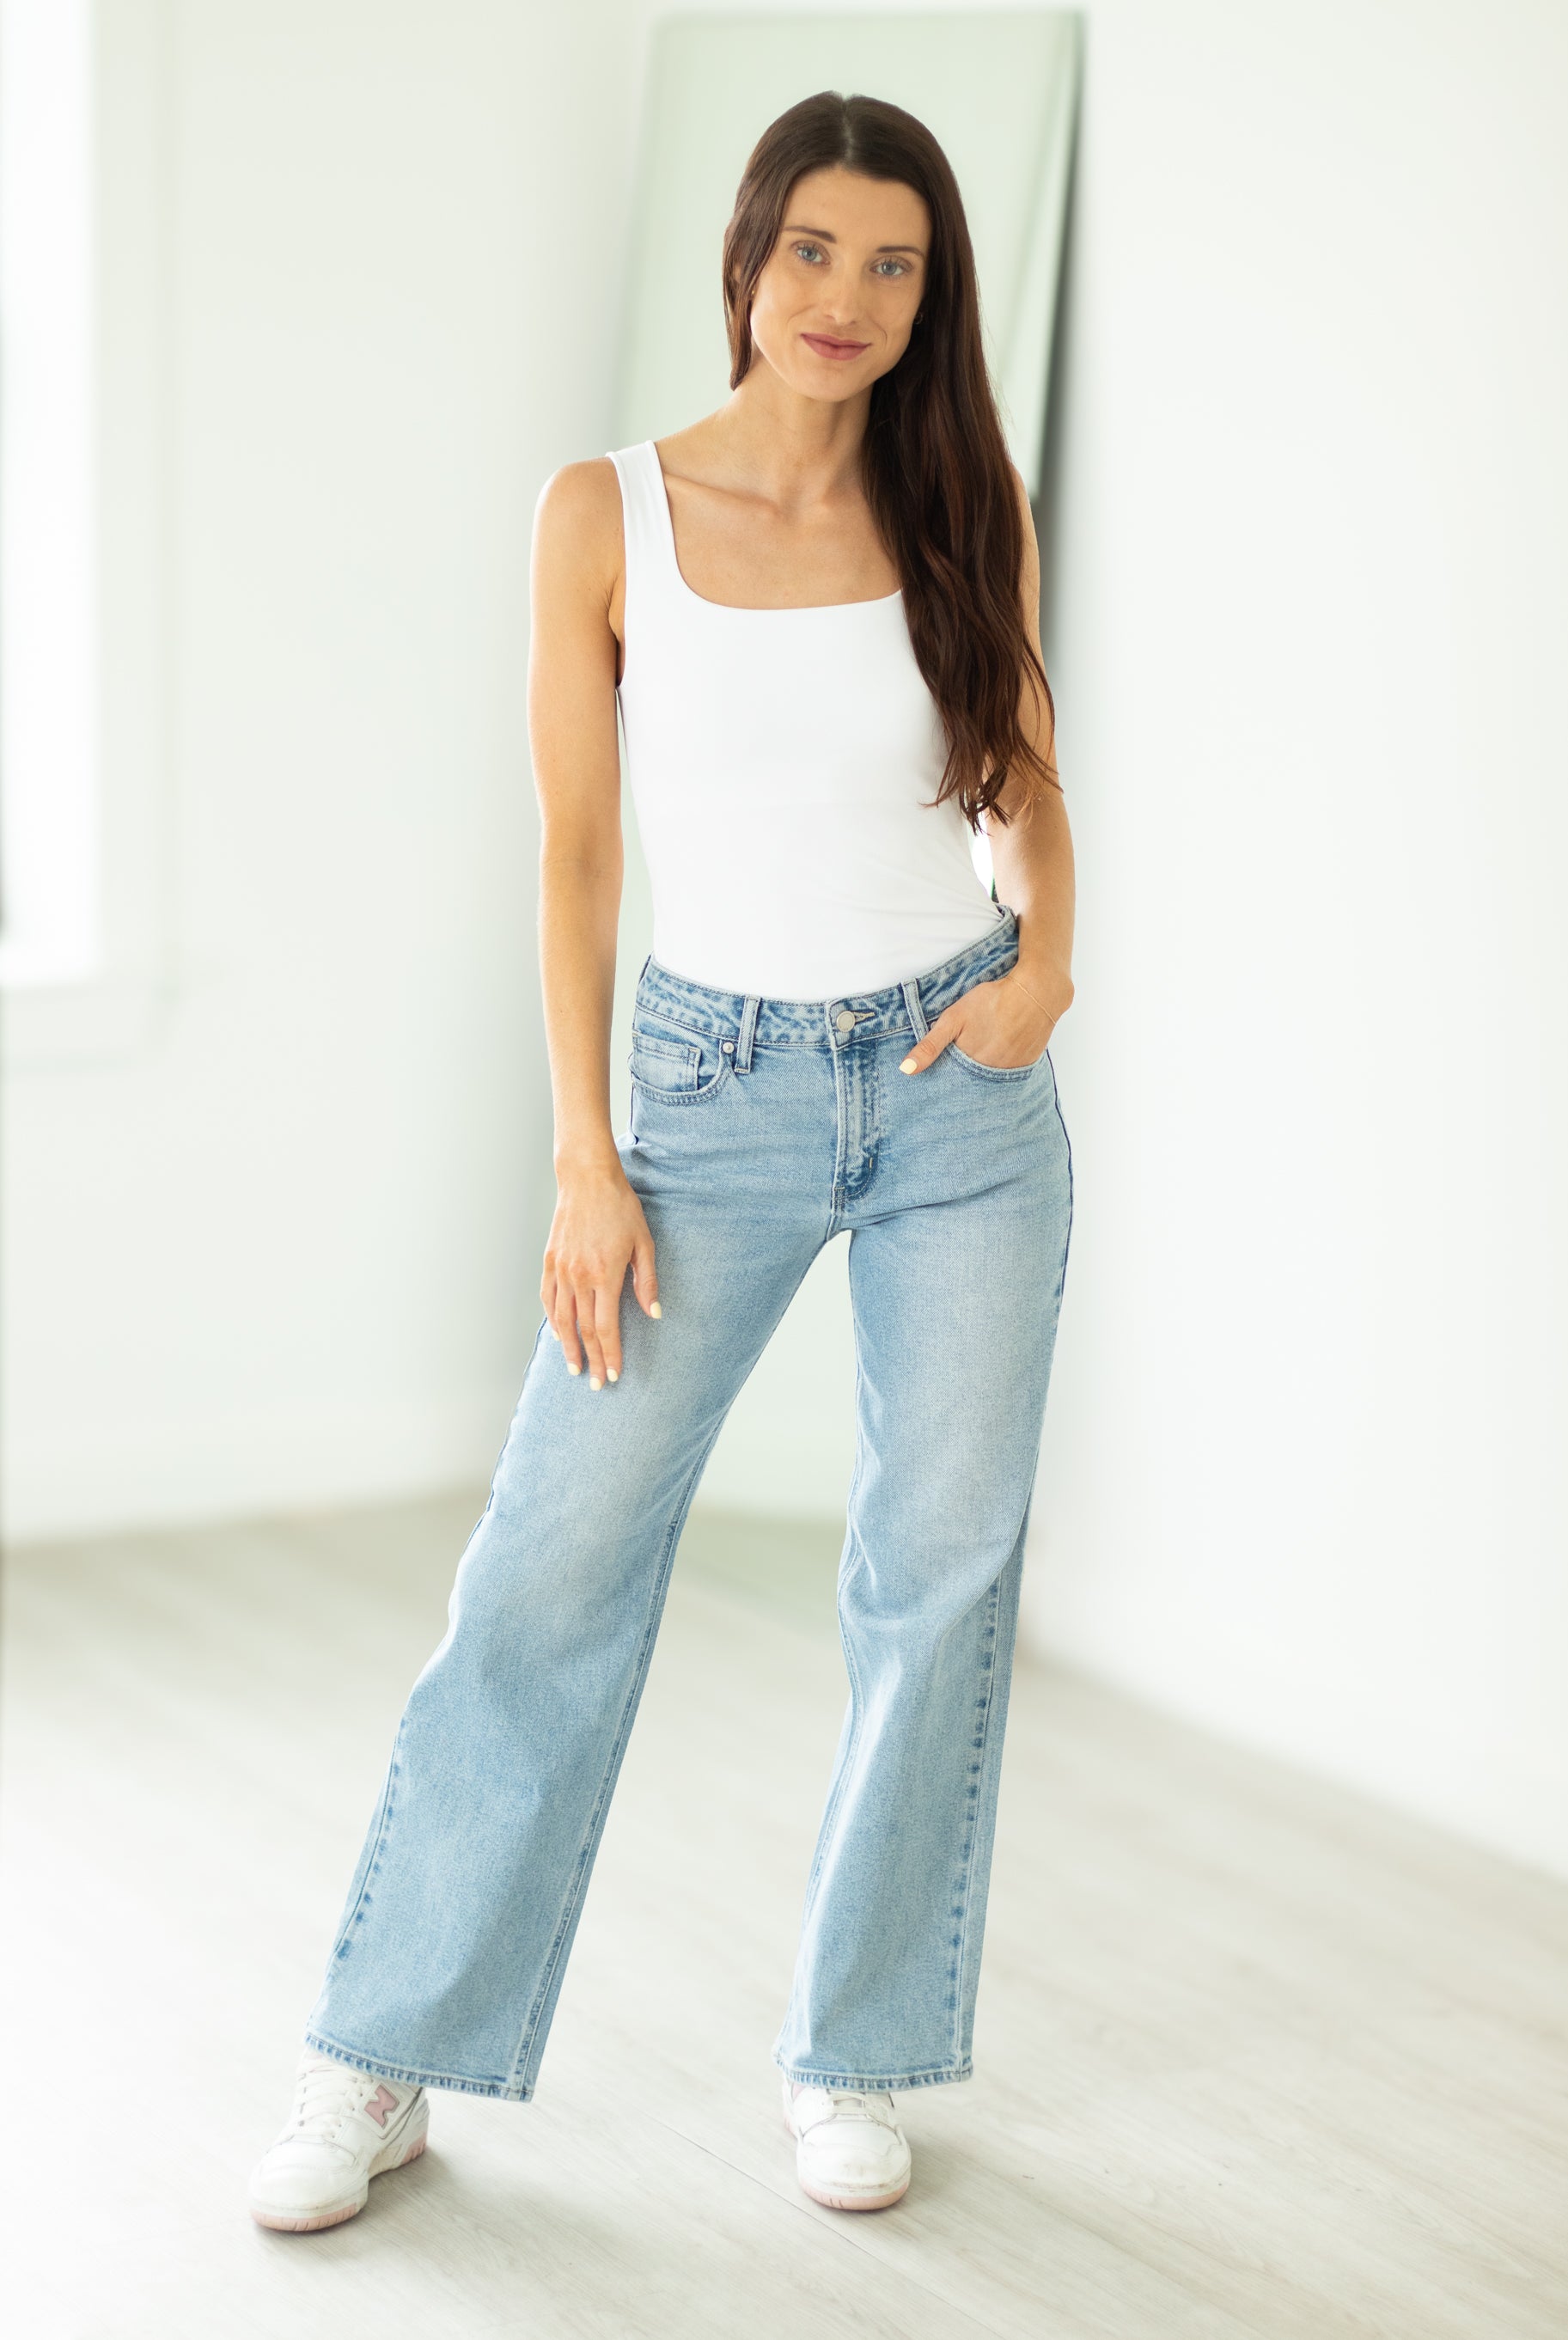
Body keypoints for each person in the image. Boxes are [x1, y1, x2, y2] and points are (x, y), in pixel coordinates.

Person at [249, 89, 1075, 2235]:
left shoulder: (961, 492)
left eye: (893, 265)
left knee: (938, 1574)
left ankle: (858, 2052)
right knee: (547, 1573)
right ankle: (382, 2055)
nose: (848, 300)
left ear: (931, 295)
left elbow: (1026, 781)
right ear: (745, 260)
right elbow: (579, 851)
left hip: (958, 1112)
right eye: (815, 251)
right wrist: (582, 1159)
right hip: (700, 1103)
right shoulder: (605, 509)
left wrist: (1045, 973)